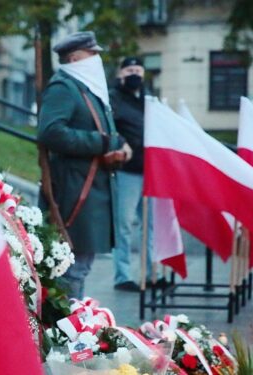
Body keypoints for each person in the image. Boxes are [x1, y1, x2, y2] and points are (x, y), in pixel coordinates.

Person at [38, 31, 132, 300]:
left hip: (89, 187)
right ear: (76, 57)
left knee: (80, 267)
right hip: (74, 188)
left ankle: (73, 329)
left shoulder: (84, 88)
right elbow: (51, 132)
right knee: (73, 269)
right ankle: (69, 332)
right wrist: (103, 143)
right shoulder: (64, 88)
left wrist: (115, 146)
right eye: (93, 53)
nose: (98, 59)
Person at [109, 57, 155, 292]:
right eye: (129, 70)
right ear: (120, 74)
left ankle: (150, 274)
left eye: (138, 69)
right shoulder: (113, 98)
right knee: (124, 226)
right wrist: (122, 142)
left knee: (151, 227)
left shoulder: (149, 99)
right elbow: (109, 128)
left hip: (151, 172)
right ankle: (123, 276)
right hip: (127, 172)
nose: (134, 73)